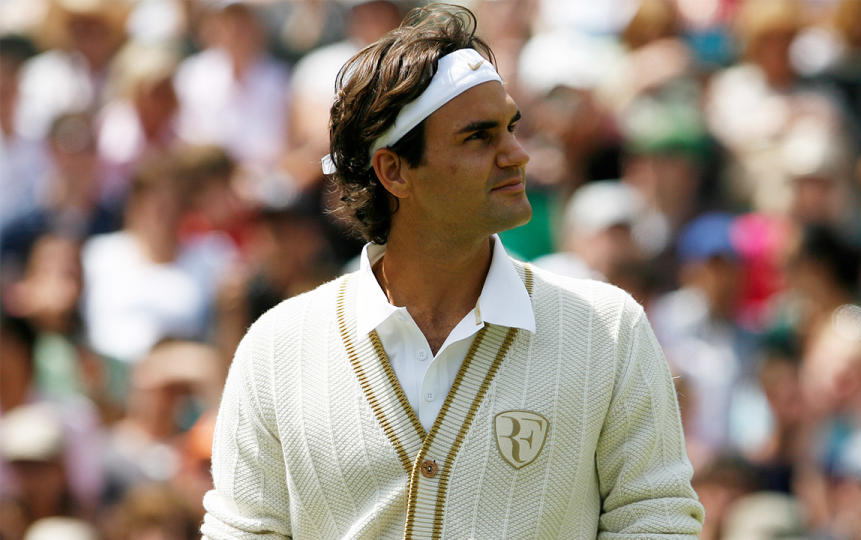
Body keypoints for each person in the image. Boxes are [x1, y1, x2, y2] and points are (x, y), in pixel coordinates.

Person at [201, 4, 704, 539]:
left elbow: (656, 519)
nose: (517, 155)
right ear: (394, 171)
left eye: (511, 128)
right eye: (479, 137)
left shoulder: (608, 329)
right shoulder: (278, 348)